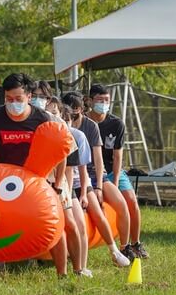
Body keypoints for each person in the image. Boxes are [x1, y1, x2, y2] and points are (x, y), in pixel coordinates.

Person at [0, 73, 75, 277]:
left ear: (29, 96)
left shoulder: (43, 118)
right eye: (8, 99)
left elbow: (60, 152)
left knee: (56, 224)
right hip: (3, 180)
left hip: (37, 180)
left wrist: (57, 185)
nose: (13, 104)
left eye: (18, 99)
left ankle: (63, 273)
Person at [61, 92, 131, 267]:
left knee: (100, 211)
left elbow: (94, 163)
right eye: (67, 114)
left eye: (75, 111)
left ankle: (117, 249)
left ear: (81, 110)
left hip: (89, 177)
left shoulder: (87, 129)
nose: (71, 117)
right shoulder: (58, 128)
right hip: (66, 179)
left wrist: (97, 188)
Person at [87, 84, 149, 259]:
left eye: (107, 100)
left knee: (131, 201)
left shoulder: (116, 123)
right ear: (90, 101)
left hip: (113, 170)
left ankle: (135, 244)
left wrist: (113, 184)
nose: (104, 103)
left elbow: (118, 156)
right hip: (91, 171)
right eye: (100, 100)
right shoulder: (84, 122)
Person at [31, 83, 85, 277]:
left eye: (42, 96)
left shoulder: (57, 122)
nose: (38, 100)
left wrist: (58, 184)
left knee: (68, 223)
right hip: (31, 180)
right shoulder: (23, 120)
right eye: (34, 95)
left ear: (49, 99)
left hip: (55, 180)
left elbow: (64, 156)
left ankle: (78, 268)